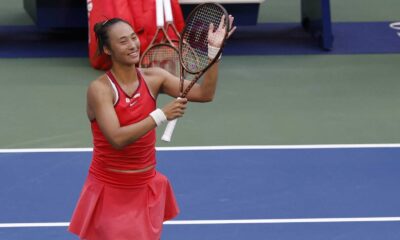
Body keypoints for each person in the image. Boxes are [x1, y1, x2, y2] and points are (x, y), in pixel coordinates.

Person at [68, 16, 236, 240]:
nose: (132, 45)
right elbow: (117, 138)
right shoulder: (100, 90)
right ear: (108, 49)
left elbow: (205, 94)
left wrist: (214, 53)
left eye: (133, 37)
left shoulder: (154, 78)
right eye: (123, 41)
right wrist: (160, 115)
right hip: (110, 188)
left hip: (145, 187)